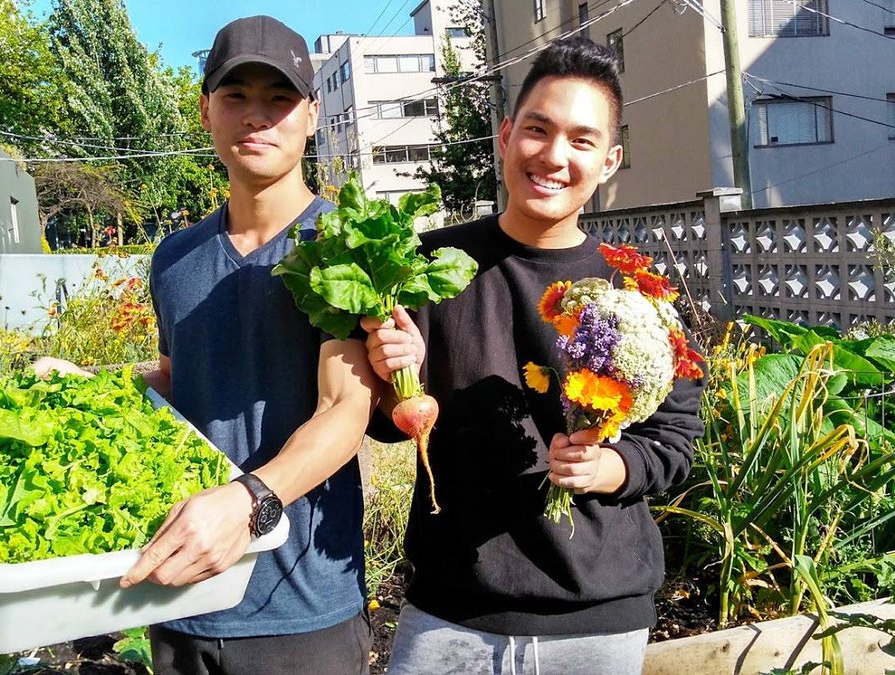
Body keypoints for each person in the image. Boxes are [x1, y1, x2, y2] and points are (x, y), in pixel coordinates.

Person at [37, 15, 376, 675]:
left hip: (299, 606)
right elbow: (179, 379)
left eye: (279, 98)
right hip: (182, 591)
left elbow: (345, 407)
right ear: (205, 112)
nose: (257, 116)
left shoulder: (345, 245)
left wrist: (248, 500)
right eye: (235, 96)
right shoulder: (176, 257)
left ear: (311, 115)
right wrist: (87, 384)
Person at [361, 38, 706, 674]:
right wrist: (389, 379)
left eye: (582, 140)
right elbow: (386, 425)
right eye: (537, 131)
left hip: (596, 615)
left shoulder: (638, 289)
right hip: (451, 609)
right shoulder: (427, 266)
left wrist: (611, 467)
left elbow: (676, 436)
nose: (553, 156)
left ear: (610, 161)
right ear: (504, 135)